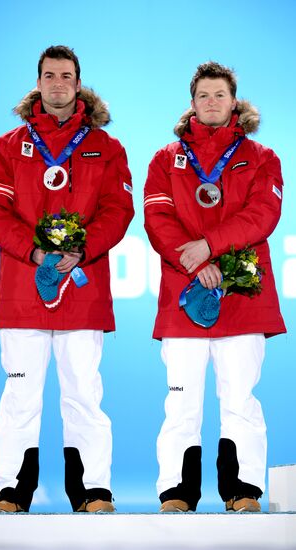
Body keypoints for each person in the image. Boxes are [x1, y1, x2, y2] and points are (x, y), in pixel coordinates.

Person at [0, 45, 134, 514]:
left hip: (81, 289)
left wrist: (81, 251)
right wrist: (36, 250)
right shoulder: (7, 147)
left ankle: (92, 491)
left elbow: (119, 210)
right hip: (24, 288)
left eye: (67, 75)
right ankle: (10, 491)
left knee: (84, 393)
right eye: (50, 75)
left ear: (79, 83)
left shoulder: (107, 148)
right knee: (20, 393)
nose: (59, 83)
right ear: (38, 83)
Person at [144, 61, 286, 513]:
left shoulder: (263, 158)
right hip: (185, 294)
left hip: (242, 292)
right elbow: (157, 219)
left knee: (240, 397)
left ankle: (242, 491)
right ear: (192, 103)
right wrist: (195, 262)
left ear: (234, 101)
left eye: (219, 95)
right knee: (182, 400)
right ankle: (177, 493)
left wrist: (209, 249)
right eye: (203, 95)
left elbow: (263, 215)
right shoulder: (165, 160)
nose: (211, 103)